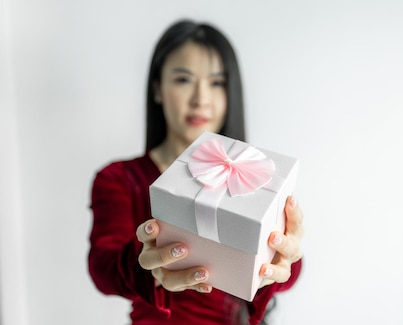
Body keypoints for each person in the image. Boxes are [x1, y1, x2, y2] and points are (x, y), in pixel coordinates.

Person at [88, 19, 304, 325]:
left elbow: (287, 268)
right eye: (183, 80)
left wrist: (283, 259)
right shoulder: (119, 178)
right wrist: (150, 262)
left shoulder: (253, 178)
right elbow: (102, 267)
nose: (201, 99)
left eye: (216, 83)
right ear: (157, 89)